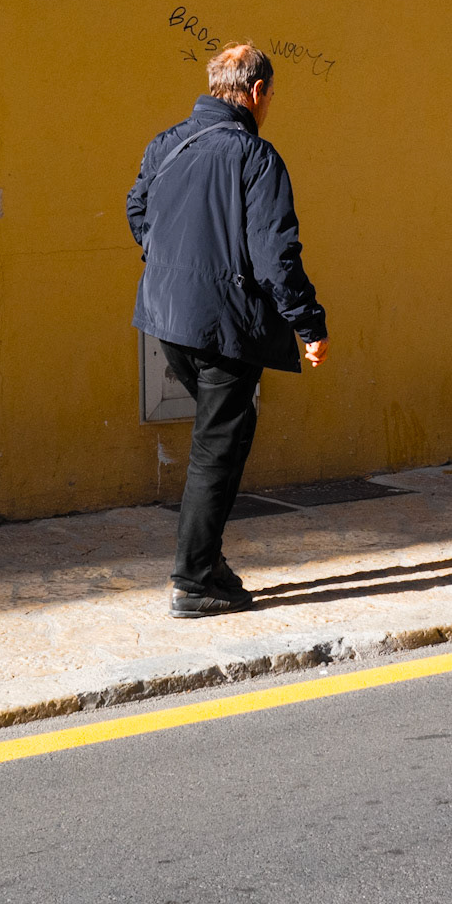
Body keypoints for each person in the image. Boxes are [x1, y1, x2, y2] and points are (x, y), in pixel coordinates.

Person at [127, 41, 328, 617]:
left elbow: (137, 210)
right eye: (271, 97)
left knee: (225, 435)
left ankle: (208, 562)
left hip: (167, 320)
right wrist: (309, 325)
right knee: (218, 447)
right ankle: (193, 579)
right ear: (257, 92)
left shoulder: (168, 143)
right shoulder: (255, 158)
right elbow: (275, 256)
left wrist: (170, 267)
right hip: (222, 326)